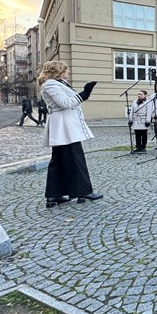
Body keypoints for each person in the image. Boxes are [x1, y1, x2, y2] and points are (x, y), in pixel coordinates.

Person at [37, 62, 102, 208]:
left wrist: (83, 94)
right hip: (63, 126)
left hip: (63, 125)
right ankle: (83, 191)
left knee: (59, 161)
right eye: (66, 69)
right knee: (75, 158)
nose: (69, 71)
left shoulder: (58, 83)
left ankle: (54, 195)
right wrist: (84, 94)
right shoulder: (51, 84)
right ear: (58, 71)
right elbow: (65, 103)